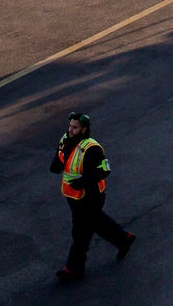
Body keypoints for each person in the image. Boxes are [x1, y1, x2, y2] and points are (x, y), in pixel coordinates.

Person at [51, 111, 135, 282]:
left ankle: (73, 270)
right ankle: (123, 239)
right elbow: (61, 157)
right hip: (73, 196)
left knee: (80, 233)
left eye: (75, 127)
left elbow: (105, 169)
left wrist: (83, 182)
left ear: (83, 129)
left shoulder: (91, 148)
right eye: (70, 126)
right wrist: (55, 165)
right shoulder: (66, 139)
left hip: (90, 197)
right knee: (95, 223)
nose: (70, 129)